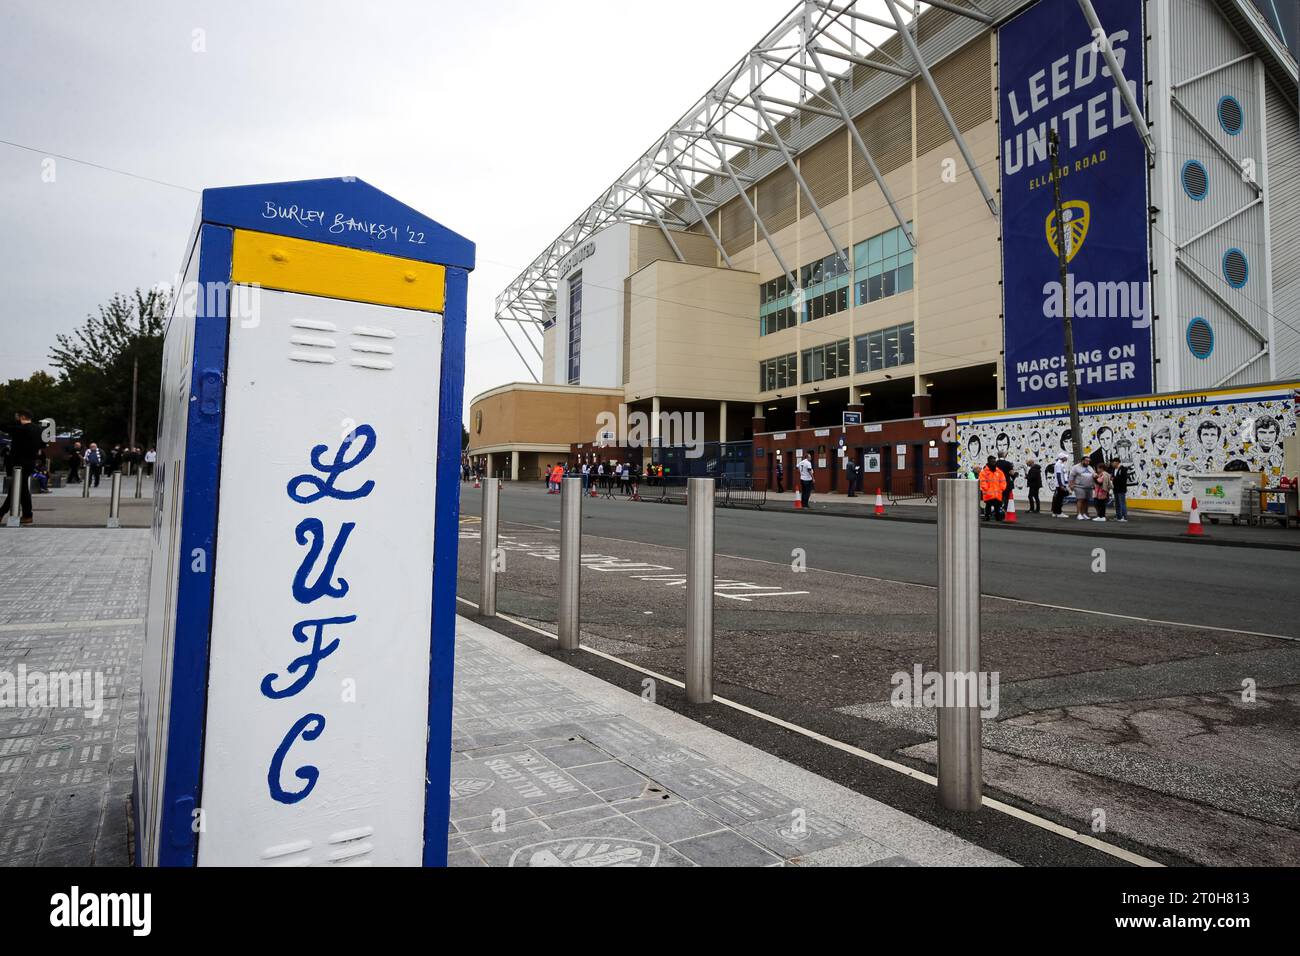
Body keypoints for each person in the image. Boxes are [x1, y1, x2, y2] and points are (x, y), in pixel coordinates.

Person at [0, 410, 44, 526]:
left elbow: (6, 428)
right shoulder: (38, 429)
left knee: (16, 488)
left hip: (20, 463)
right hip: (30, 462)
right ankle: (27, 515)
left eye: (17, 417)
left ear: (22, 417)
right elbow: (42, 445)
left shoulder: (23, 429)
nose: (16, 419)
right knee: (22, 489)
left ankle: (5, 513)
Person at [979, 456, 1007, 521]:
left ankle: (997, 517)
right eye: (992, 462)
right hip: (988, 493)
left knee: (997, 506)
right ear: (988, 462)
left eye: (995, 462)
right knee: (988, 506)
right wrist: (986, 488)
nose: (994, 463)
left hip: (997, 493)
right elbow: (982, 481)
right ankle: (987, 517)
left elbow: (1003, 481)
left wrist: (1002, 488)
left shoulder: (999, 471)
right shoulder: (984, 472)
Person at [1067, 456, 1095, 521]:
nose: (1088, 462)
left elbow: (1093, 475)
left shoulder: (1090, 467)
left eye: (1089, 461)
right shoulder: (1076, 467)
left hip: (1089, 487)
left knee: (1086, 501)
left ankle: (1084, 513)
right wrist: (1071, 485)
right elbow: (1071, 476)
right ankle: (1079, 514)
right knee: (1080, 500)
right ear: (1082, 461)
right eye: (1086, 461)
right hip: (1079, 486)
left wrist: (1094, 484)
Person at [1111, 457, 1130, 522]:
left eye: (1113, 463)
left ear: (1117, 462)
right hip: (1115, 488)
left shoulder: (1123, 469)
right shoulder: (1113, 469)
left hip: (1121, 489)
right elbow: (1113, 477)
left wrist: (1114, 479)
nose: (1112, 464)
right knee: (1117, 503)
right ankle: (1119, 517)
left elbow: (1124, 479)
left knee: (1122, 503)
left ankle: (1124, 517)